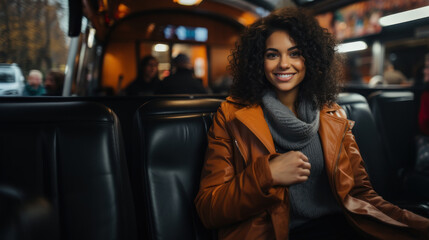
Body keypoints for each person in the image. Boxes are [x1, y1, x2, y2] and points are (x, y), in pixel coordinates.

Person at [194, 7, 429, 240]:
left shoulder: (332, 112)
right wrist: (267, 175)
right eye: (272, 54)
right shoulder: (232, 115)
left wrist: (415, 225)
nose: (284, 64)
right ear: (258, 61)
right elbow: (209, 209)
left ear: (311, 58)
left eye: (295, 53)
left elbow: (361, 194)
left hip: (344, 227)